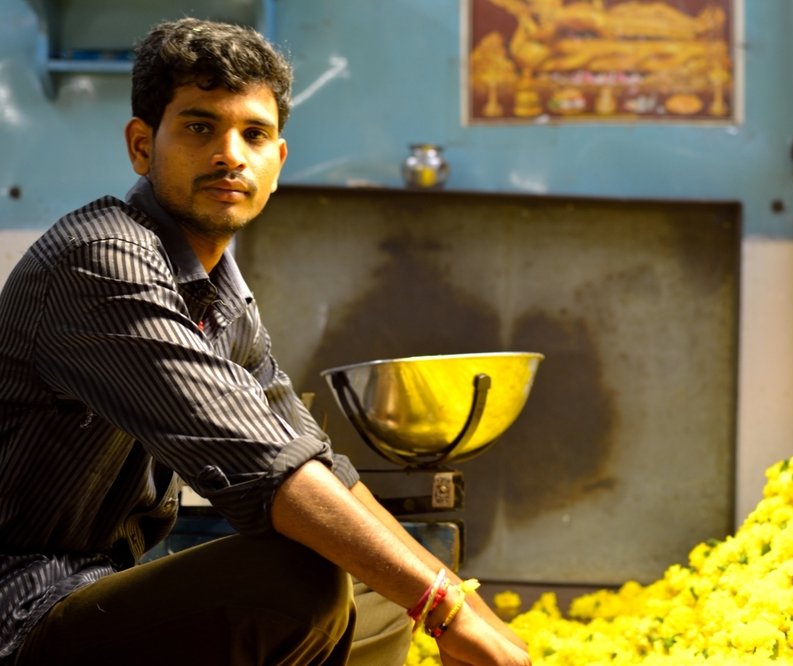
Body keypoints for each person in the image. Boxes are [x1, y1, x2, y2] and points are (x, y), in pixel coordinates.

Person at [0, 17, 530, 666]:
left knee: (383, 580)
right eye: (200, 128)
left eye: (254, 134)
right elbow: (268, 471)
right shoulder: (100, 259)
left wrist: (473, 615)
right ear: (142, 146)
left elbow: (315, 463)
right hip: (22, 618)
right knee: (296, 580)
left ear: (277, 162)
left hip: (94, 601)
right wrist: (445, 613)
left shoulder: (219, 292)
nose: (230, 153)